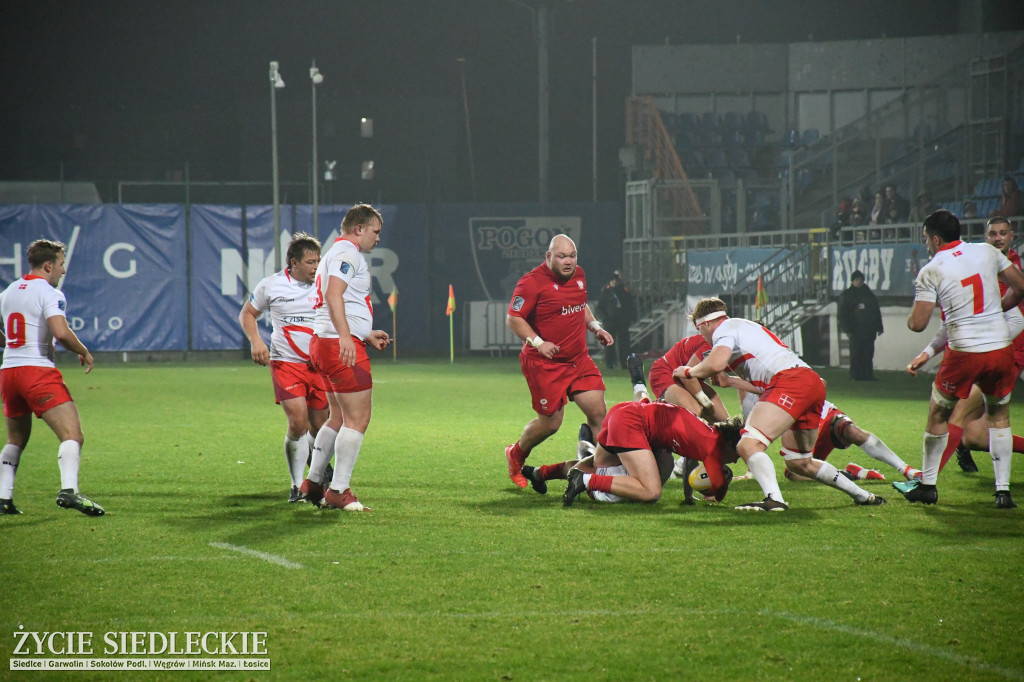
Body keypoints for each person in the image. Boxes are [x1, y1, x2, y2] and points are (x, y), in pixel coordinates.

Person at [678, 297, 885, 511]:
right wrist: (730, 381)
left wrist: (688, 371)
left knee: (748, 444)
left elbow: (716, 363)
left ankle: (774, 500)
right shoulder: (745, 328)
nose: (702, 337)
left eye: (700, 331)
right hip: (809, 383)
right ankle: (864, 496)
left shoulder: (724, 328)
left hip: (790, 382)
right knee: (800, 462)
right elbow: (765, 385)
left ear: (705, 324)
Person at [896, 209, 1024, 508]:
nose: (926, 244)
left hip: (965, 353)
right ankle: (1002, 492)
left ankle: (927, 486)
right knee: (999, 417)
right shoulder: (987, 252)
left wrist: (912, 314)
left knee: (938, 414)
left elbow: (918, 323)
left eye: (926, 238)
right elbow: (1020, 286)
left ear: (935, 239)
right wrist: (996, 311)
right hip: (1000, 349)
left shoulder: (932, 269)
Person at [298, 204, 392, 511]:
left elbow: (343, 299)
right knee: (357, 419)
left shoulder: (335, 253)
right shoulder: (347, 254)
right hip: (337, 345)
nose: (378, 237)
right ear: (358, 229)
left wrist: (364, 332)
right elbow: (333, 294)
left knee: (337, 417)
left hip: (324, 343)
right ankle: (338, 490)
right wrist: (346, 336)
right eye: (375, 231)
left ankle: (313, 483)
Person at [0, 239, 104, 516]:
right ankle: (69, 491)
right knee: (72, 435)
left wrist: (11, 343)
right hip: (37, 372)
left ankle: (3, 498)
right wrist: (83, 350)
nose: (63, 270)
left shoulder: (8, 292)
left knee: (15, 439)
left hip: (8, 372)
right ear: (48, 265)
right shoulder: (48, 292)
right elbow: (60, 332)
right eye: (61, 264)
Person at [504, 234, 614, 488]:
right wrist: (538, 342)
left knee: (598, 412)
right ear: (549, 256)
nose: (568, 261)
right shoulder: (531, 282)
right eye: (562, 256)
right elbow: (513, 318)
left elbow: (579, 304)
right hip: (545, 364)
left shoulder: (579, 275)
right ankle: (515, 454)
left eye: (572, 256)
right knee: (551, 423)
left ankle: (605, 473)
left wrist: (595, 327)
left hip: (578, 359)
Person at [239, 232, 329, 502]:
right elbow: (247, 313)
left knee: (321, 427)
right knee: (298, 423)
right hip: (286, 363)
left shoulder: (326, 284)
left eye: (318, 261)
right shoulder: (272, 285)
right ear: (294, 263)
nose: (316, 266)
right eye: (311, 262)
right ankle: (296, 485)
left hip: (319, 366)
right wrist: (256, 341)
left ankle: (316, 467)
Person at [560, 400, 743, 506]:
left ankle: (545, 472)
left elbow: (690, 461)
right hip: (634, 423)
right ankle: (586, 480)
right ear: (728, 445)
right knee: (651, 491)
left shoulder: (709, 435)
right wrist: (718, 490)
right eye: (737, 454)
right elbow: (719, 487)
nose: (735, 461)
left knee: (598, 464)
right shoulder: (712, 447)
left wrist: (688, 497)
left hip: (627, 414)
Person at [838, 270, 884, 381]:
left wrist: (879, 327)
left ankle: (867, 375)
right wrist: (847, 329)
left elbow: (876, 311)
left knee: (868, 353)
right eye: (856, 280)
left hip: (869, 329)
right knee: (856, 353)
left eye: (860, 280)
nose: (858, 282)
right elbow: (842, 314)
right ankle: (855, 375)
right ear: (852, 281)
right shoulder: (847, 295)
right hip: (855, 329)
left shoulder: (868, 294)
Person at [595, 270, 635, 370]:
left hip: (622, 321)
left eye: (617, 280)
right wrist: (605, 318)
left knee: (624, 344)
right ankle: (610, 363)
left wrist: (629, 318)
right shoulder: (606, 291)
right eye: (613, 280)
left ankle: (624, 363)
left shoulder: (624, 291)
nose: (615, 282)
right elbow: (599, 307)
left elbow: (631, 306)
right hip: (609, 322)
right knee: (609, 344)